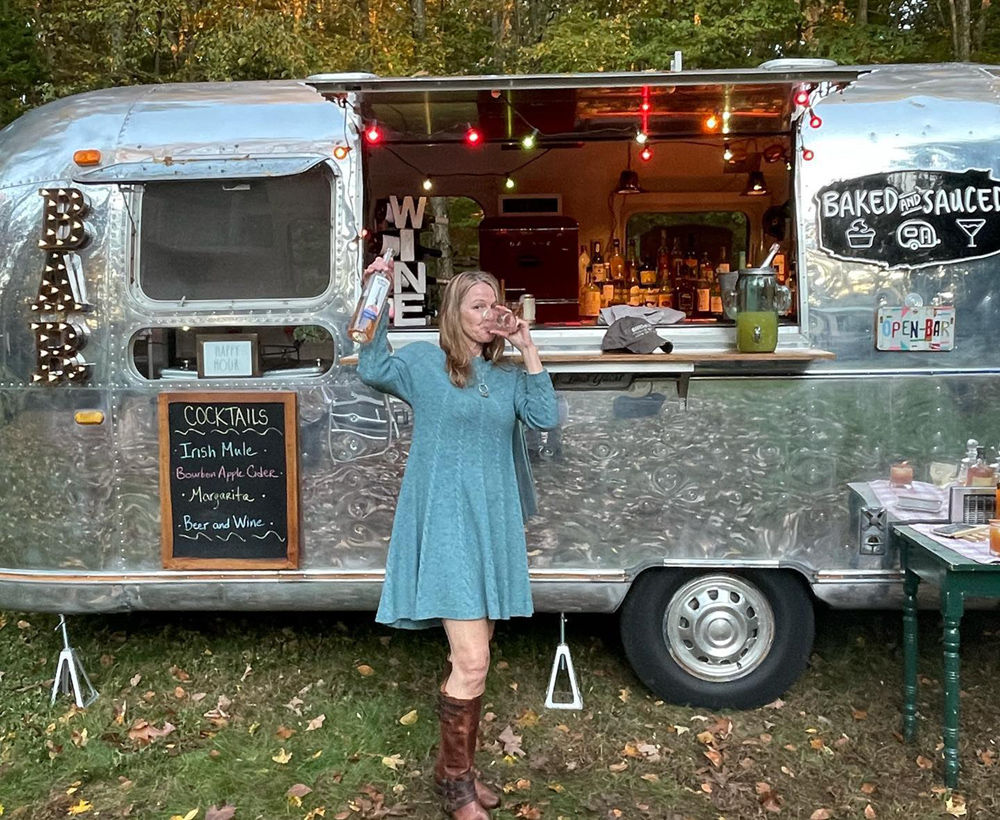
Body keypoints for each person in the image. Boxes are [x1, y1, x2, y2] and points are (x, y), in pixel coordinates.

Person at [357, 262, 559, 819]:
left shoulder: (506, 376)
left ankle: (461, 775)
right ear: (452, 313)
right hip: (445, 521)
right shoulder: (424, 362)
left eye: (494, 304)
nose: (489, 312)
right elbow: (371, 366)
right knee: (471, 661)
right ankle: (455, 787)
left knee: (476, 659)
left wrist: (526, 345)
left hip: (491, 524)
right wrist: (375, 294)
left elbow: (545, 417)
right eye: (476, 305)